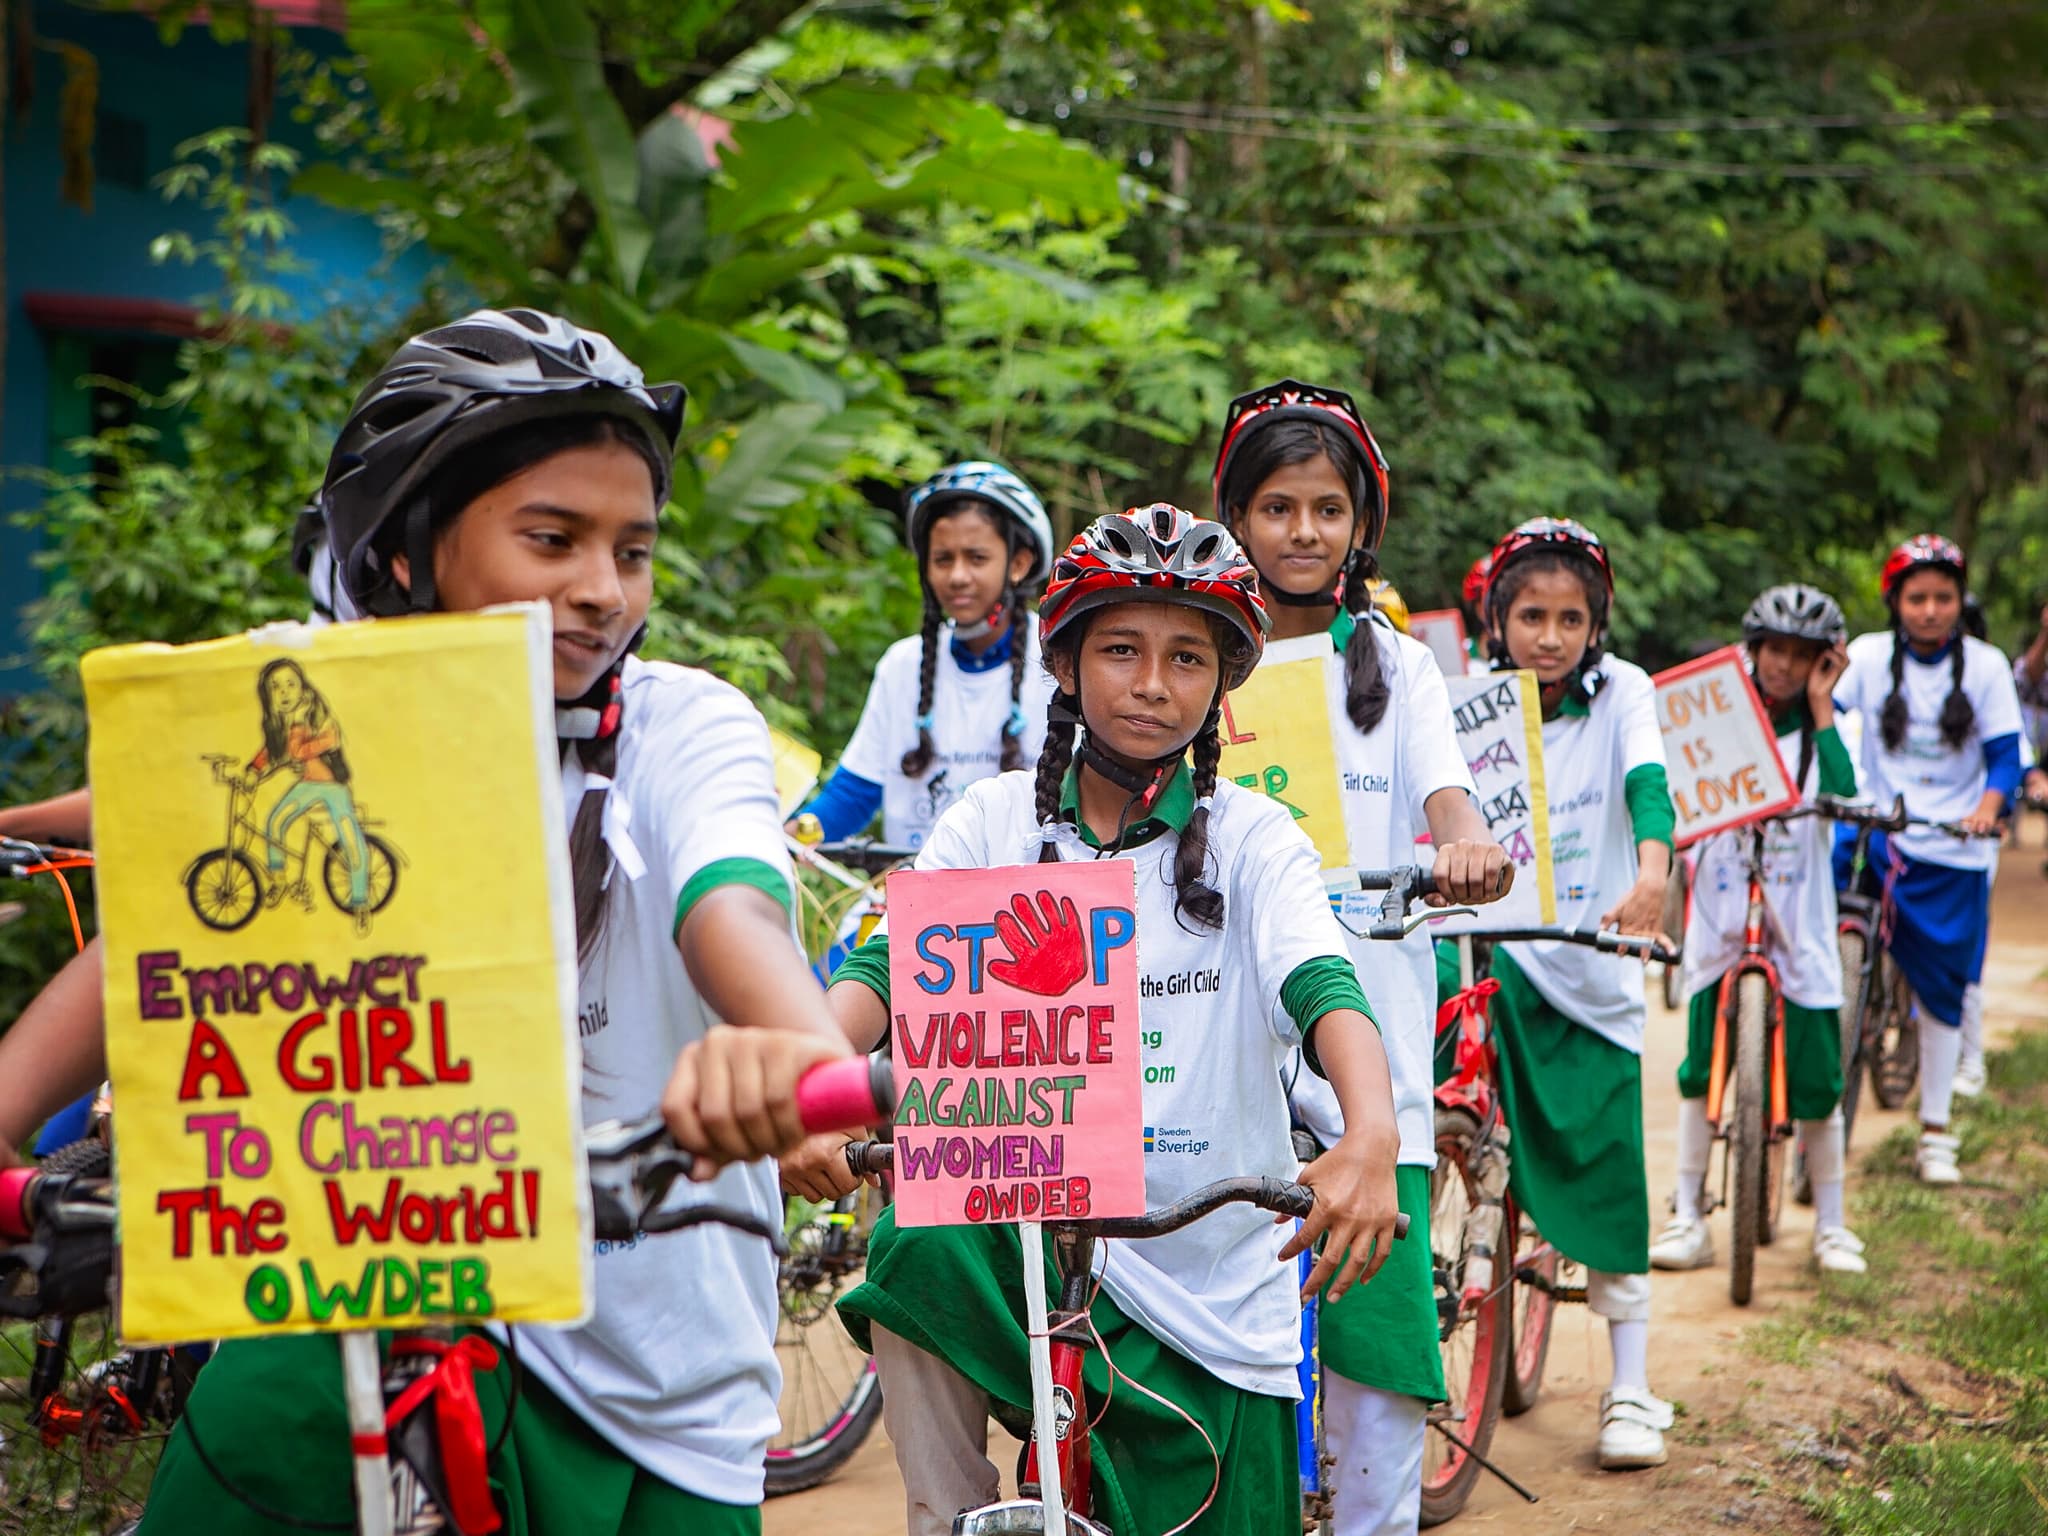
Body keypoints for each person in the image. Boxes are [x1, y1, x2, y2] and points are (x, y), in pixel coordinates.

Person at [0, 307, 855, 1534]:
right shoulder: (315, 685)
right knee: (261, 1424)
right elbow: (171, 845)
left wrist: (792, 1049)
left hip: (662, 1384)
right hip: (361, 1300)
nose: (602, 591)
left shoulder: (684, 725)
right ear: (407, 553)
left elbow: (731, 906)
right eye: (551, 539)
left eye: (633, 551)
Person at [783, 504, 1403, 1535]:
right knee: (915, 1243)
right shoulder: (991, 821)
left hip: (1211, 1287)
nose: (1152, 684)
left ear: (1220, 684)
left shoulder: (1257, 840)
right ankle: (947, 1515)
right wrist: (805, 1089)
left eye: (1186, 658)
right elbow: (884, 971)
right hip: (1024, 1248)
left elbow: (1324, 987)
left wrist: (1372, 1133)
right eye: (1120, 649)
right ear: (1065, 663)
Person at [1212, 378, 1510, 1536]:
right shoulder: (1196, 655)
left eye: (1325, 509)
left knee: (1375, 1372)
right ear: (1236, 518)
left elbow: (1447, 796)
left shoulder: (1398, 666)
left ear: (1359, 524)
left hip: (1361, 1052)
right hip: (1214, 1036)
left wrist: (1463, 846)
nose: (1301, 531)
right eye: (1276, 507)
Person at [1474, 516, 1676, 1469]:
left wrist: (1653, 871)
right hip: (1490, 952)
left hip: (1592, 962)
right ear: (1498, 618)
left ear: (1596, 626)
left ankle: (1628, 1385)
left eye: (1569, 619)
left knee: (1608, 1166)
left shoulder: (1626, 690)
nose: (1548, 637)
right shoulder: (1469, 699)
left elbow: (1648, 783)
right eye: (1530, 616)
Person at [1651, 585, 1865, 1277]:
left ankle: (1831, 1223)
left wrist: (1823, 706)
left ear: (1822, 662)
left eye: (1803, 656)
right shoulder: (1716, 714)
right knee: (1698, 1070)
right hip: (1721, 905)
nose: (1785, 665)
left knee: (1818, 1077)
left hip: (1799, 912)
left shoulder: (1832, 726)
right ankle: (1688, 1213)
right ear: (1754, 648)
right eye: (1775, 649)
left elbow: (1847, 792)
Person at [1833, 535, 2024, 1181]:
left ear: (1959, 601)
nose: (1931, 610)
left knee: (1944, 994)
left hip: (1954, 848)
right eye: (1917, 598)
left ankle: (1935, 1130)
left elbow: (2005, 757)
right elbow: (1826, 714)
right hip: (1880, 836)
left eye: (1944, 597)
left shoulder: (1987, 667)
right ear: (1895, 601)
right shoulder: (1867, 656)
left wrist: (1988, 810)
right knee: (1820, 941)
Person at [794, 461, 1056, 849]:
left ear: (1019, 563)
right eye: (943, 559)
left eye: (977, 558)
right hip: (911, 881)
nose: (957, 576)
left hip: (1019, 886)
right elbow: (855, 793)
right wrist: (792, 836)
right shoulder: (901, 666)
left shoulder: (1059, 661)